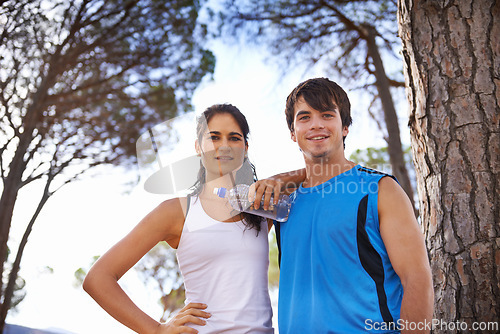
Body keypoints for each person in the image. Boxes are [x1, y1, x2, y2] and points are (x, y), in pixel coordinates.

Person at [253, 78, 434, 333]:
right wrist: (283, 178)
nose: (316, 124)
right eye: (304, 118)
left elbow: (417, 280)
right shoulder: (283, 202)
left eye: (327, 115)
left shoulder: (380, 190)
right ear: (293, 133)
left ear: (345, 126)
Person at [83, 104, 274, 334]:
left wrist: (286, 177)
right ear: (197, 147)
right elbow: (98, 278)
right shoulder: (177, 211)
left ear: (245, 148)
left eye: (234, 138)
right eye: (214, 137)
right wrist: (156, 330)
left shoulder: (263, 210)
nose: (224, 146)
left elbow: (316, 182)